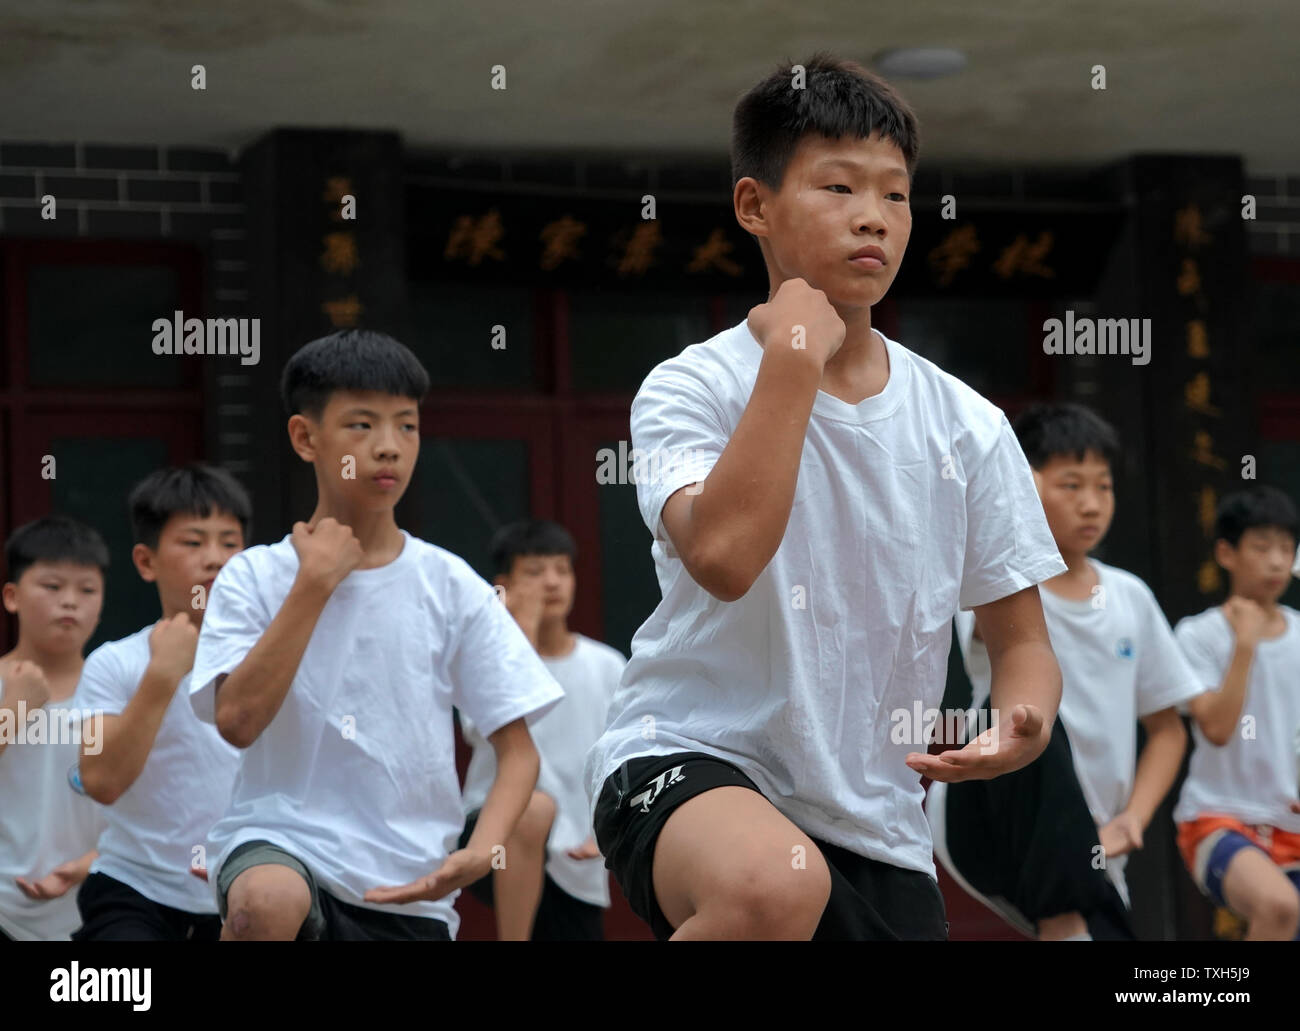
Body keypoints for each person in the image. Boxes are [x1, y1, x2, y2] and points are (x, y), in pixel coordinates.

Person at [584, 53, 1067, 941]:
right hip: (690, 756)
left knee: (792, 885)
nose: (872, 219)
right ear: (754, 206)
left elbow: (1021, 640)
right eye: (838, 187)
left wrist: (1022, 722)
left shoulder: (968, 424)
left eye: (894, 195)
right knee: (773, 886)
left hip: (880, 824)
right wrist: (794, 361)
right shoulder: (691, 387)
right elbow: (724, 558)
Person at [190, 328, 565, 940]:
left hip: (408, 886)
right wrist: (312, 586)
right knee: (265, 902)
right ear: (305, 438)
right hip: (280, 844)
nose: (388, 447)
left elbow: (518, 751)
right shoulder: (254, 575)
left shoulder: (450, 584)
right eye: (362, 426)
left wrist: (482, 850)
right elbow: (237, 720)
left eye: (407, 426)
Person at [927, 402, 1199, 939]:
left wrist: (1134, 819)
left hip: (1097, 844)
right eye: (1070, 485)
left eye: (1103, 486)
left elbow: (1168, 730)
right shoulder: (1001, 582)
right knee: (1032, 721)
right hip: (993, 813)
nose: (1092, 504)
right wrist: (1002, 484)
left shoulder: (1130, 597)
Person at [73, 465, 250, 941]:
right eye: (193, 543)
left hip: (250, 890)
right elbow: (101, 780)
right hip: (134, 891)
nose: (215, 559)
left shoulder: (270, 665)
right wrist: (162, 676)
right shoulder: (112, 664)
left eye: (230, 543)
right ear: (146, 561)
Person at [459, 520, 626, 940]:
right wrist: (521, 630)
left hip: (579, 851)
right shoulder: (487, 658)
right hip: (492, 832)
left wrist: (608, 830)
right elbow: (482, 729)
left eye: (562, 570)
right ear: (504, 584)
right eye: (534, 572)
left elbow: (624, 754)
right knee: (532, 810)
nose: (551, 582)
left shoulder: (606, 665)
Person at [1173, 485, 1300, 940]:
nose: (1276, 561)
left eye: (1286, 548)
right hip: (1219, 817)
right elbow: (1217, 727)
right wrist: (1244, 644)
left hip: (1293, 823)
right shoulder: (1199, 635)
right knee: (1279, 906)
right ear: (1226, 553)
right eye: (1262, 547)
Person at [0, 516, 108, 940]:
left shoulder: (118, 688)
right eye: (52, 586)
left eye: (87, 590)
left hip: (98, 903)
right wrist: (15, 706)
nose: (70, 602)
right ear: (12, 596)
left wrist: (91, 862)